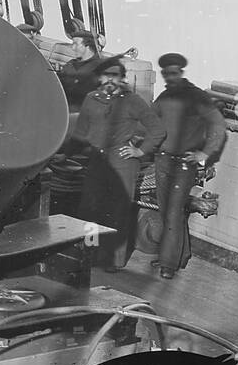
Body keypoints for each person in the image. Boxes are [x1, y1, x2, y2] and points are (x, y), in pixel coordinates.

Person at [70, 58, 167, 271]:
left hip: (123, 163)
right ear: (99, 78)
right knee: (90, 209)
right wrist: (67, 154)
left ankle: (114, 260)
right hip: (97, 162)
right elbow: (80, 132)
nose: (110, 80)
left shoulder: (132, 101)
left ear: (122, 79)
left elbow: (158, 129)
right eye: (106, 76)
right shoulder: (91, 99)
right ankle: (90, 253)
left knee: (117, 211)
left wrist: (140, 151)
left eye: (115, 76)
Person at [151, 52, 227, 280]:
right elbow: (148, 121)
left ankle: (168, 264)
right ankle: (176, 256)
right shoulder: (164, 97)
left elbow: (218, 125)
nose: (170, 78)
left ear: (181, 73)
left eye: (174, 73)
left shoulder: (197, 97)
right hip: (163, 160)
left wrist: (203, 155)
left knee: (173, 213)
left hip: (184, 164)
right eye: (166, 74)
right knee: (167, 212)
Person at [58, 31, 103, 107]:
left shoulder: (100, 69)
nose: (73, 48)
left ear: (87, 46)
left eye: (75, 44)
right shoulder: (70, 65)